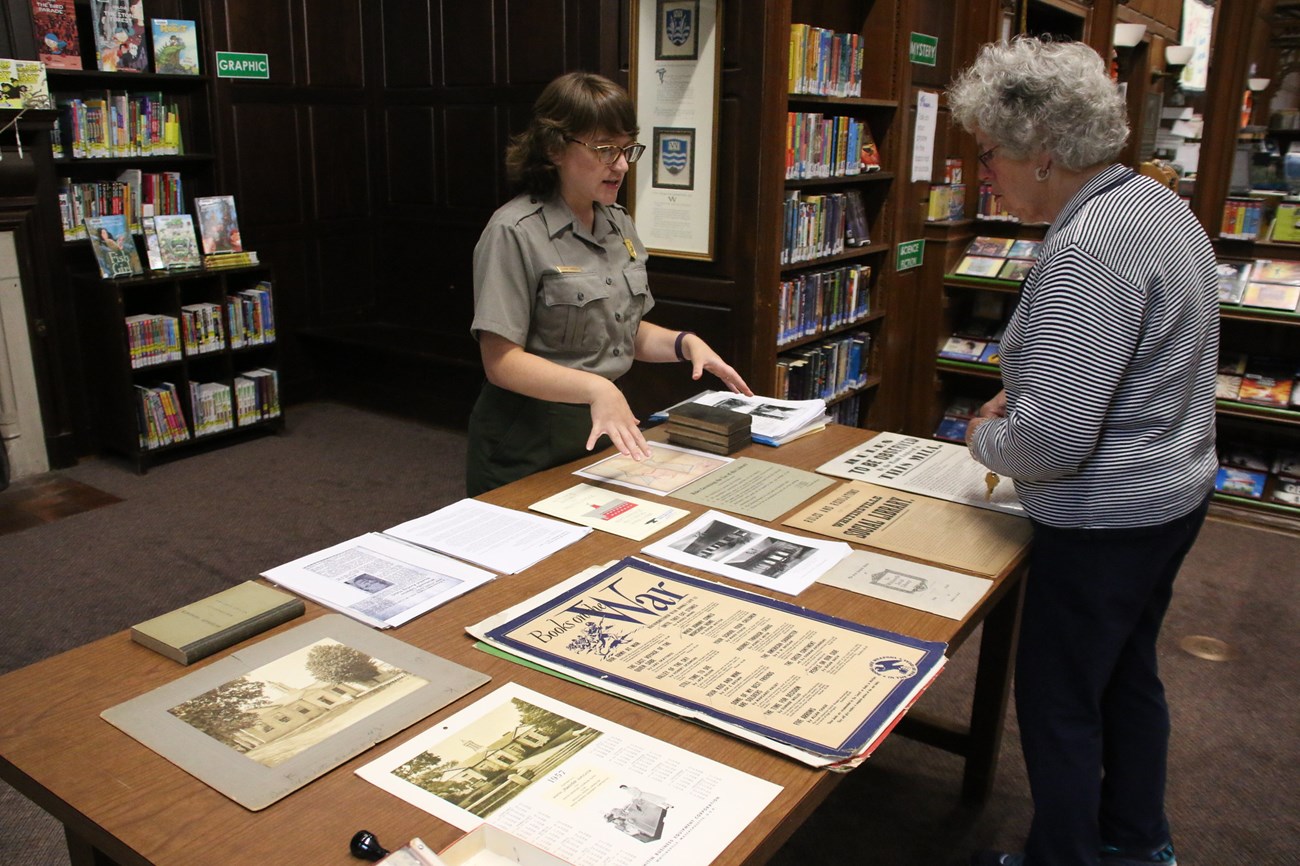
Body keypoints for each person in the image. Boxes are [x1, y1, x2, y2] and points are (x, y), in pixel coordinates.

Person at [947, 38, 1218, 866]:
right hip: (1172, 493)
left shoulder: (1087, 248)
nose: (983, 171)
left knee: (1060, 701)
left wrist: (985, 435)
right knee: (1129, 678)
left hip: (1105, 522)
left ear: (1046, 153)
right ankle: (1138, 844)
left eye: (991, 153)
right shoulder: (1159, 206)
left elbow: (1054, 444)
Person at [466, 71, 752, 496]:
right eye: (604, 149)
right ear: (554, 148)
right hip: (525, 438)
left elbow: (623, 331)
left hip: (603, 426)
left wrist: (683, 343)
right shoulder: (515, 231)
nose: (620, 164)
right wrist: (596, 387)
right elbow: (501, 361)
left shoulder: (616, 222)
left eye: (626, 149)